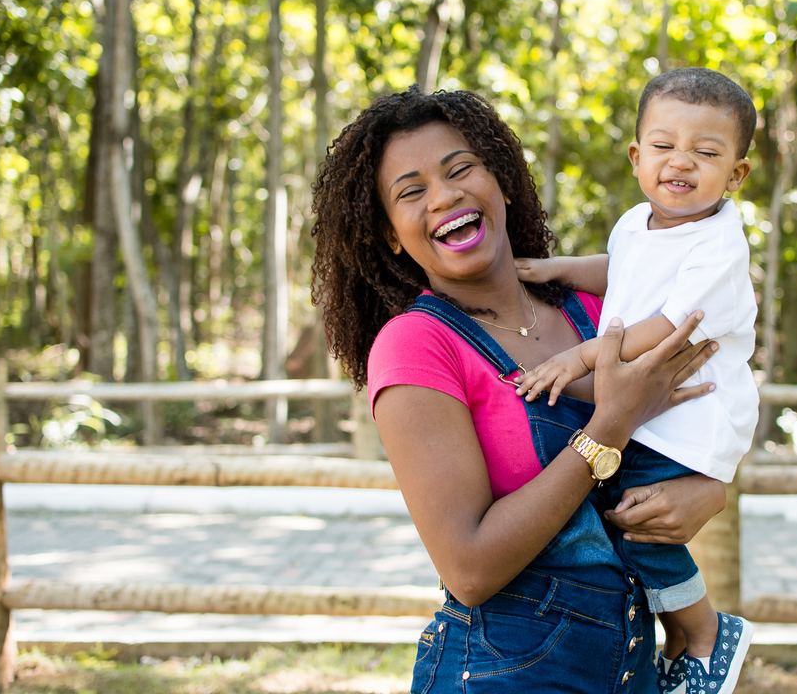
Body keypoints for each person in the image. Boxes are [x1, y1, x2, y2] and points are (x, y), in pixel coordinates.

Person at [311, 86, 730, 694]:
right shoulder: (416, 345)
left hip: (632, 670)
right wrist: (608, 427)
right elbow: (470, 569)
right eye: (412, 191)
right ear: (391, 236)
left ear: (502, 182)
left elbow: (715, 387)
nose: (446, 195)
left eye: (461, 171)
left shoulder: (604, 311)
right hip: (501, 673)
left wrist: (708, 489)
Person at [514, 67, 759, 694]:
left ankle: (704, 634)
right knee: (620, 518)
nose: (680, 162)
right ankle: (675, 638)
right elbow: (618, 263)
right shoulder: (637, 221)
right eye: (663, 145)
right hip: (652, 408)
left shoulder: (719, 243)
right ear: (635, 155)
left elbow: (672, 323)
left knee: (638, 524)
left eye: (705, 153)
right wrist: (553, 269)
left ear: (736, 174)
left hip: (691, 414)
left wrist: (583, 357)